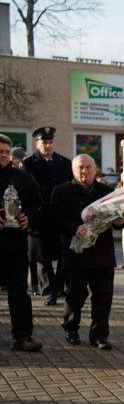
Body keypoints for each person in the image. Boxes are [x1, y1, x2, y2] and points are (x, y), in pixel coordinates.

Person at [51, 155, 119, 349]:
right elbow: (54, 218)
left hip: (103, 255)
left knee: (103, 297)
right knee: (76, 295)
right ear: (74, 170)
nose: (85, 171)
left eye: (88, 167)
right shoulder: (62, 191)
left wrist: (121, 222)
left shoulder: (107, 192)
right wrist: (74, 227)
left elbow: (117, 220)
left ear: (95, 169)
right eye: (80, 168)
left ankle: (99, 335)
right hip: (77, 255)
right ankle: (71, 329)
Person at [0, 134, 44, 352]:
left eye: (6, 152)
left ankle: (23, 336)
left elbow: (38, 204)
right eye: (0, 152)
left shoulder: (23, 178)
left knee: (19, 291)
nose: (4, 155)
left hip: (15, 244)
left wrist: (29, 216)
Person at [21, 126, 73, 306]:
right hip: (39, 216)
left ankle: (58, 288)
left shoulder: (65, 163)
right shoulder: (28, 164)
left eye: (51, 142)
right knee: (42, 256)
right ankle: (48, 291)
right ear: (37, 144)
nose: (48, 145)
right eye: (44, 142)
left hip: (59, 215)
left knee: (63, 252)